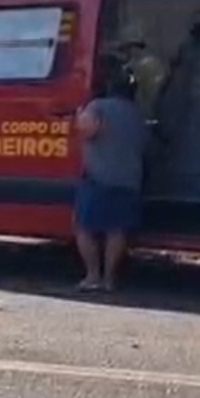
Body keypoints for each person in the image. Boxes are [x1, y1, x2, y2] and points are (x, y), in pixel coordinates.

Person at [73, 56, 149, 293]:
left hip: (99, 177)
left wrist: (77, 118)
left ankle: (92, 275)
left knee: (83, 227)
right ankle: (109, 279)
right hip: (129, 179)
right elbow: (145, 144)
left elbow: (88, 130)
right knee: (117, 230)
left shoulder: (98, 107)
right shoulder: (137, 113)